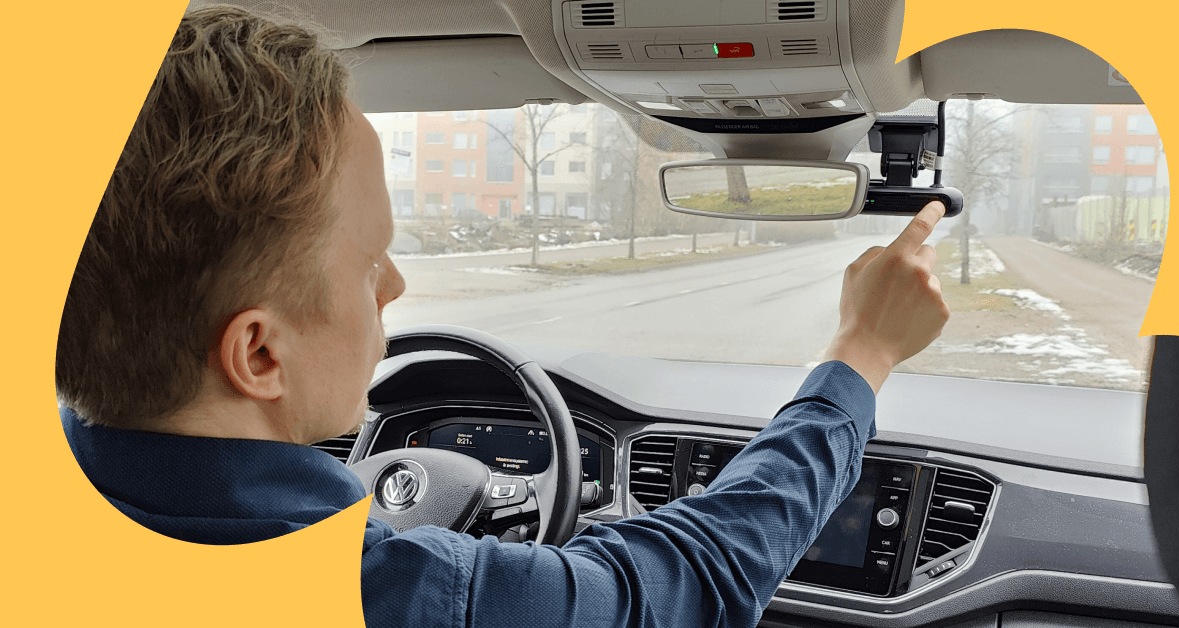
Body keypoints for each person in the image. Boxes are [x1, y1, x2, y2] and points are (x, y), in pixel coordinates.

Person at [57, 7, 949, 628]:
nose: (395, 286)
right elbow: (698, 581)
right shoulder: (397, 598)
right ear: (258, 352)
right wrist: (862, 352)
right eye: (371, 263)